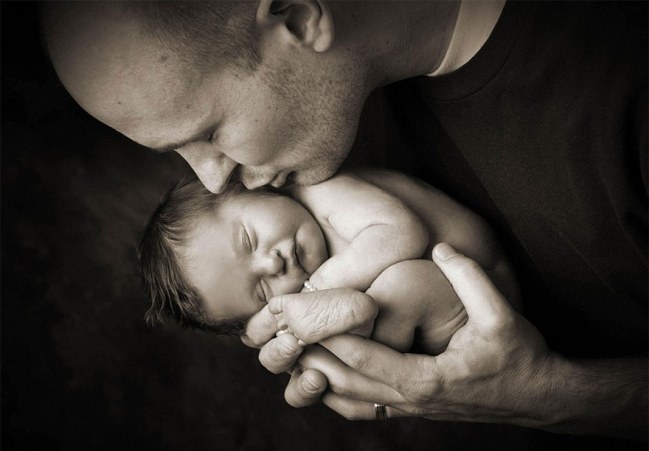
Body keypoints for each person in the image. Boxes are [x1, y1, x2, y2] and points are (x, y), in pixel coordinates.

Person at [42, 0, 647, 440]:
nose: (210, 180)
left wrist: (554, 397)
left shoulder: (621, 79)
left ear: (301, 18)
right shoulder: (312, 141)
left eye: (208, 133)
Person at [139, 169, 518, 355]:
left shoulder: (321, 192)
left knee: (399, 286)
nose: (272, 265)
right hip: (457, 342)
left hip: (486, 287)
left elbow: (405, 233)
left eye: (249, 240)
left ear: (250, 188)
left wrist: (315, 290)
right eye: (261, 290)